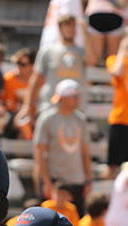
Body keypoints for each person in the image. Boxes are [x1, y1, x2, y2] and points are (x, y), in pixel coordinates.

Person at [33, 79, 92, 213]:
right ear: (64, 98)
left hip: (77, 179)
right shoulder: (47, 118)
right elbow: (40, 153)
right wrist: (47, 182)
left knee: (75, 222)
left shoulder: (80, 119)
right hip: (56, 179)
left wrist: (88, 179)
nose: (78, 100)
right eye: (75, 96)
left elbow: (85, 151)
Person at [21, 13, 86, 122]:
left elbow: (94, 60)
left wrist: (86, 32)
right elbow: (36, 79)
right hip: (51, 106)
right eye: (67, 25)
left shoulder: (82, 52)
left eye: (73, 25)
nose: (70, 29)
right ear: (60, 28)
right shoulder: (47, 51)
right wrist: (27, 105)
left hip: (75, 109)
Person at [0, 48, 35, 139]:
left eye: (23, 64)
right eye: (18, 63)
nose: (19, 67)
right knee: (24, 123)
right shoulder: (9, 78)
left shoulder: (38, 81)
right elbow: (6, 103)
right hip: (12, 115)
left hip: (33, 115)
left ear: (32, 65)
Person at [107, 36, 128, 176]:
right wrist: (123, 47)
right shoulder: (114, 59)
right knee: (113, 166)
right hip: (120, 119)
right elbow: (117, 71)